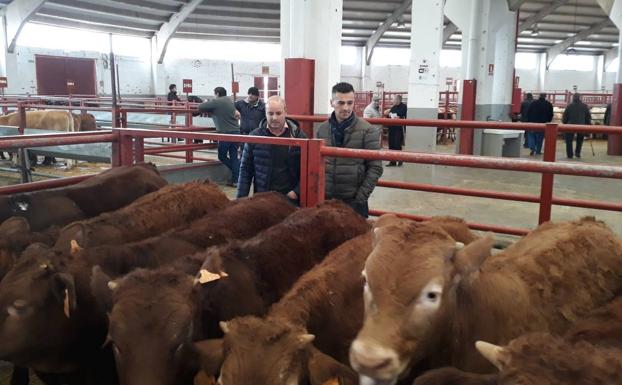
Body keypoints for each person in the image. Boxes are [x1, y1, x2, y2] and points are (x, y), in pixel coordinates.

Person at [315, 82, 383, 218]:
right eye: (340, 103)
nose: (346, 107)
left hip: (354, 201)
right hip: (326, 199)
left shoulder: (368, 130)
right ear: (331, 103)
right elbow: (316, 163)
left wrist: (359, 199)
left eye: (350, 103)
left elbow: (375, 167)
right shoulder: (322, 129)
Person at [237, 96, 306, 204]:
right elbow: (245, 169)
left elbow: (307, 169)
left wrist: (296, 192)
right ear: (265, 113)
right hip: (263, 199)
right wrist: (240, 201)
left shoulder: (299, 137)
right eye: (270, 113)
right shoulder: (255, 137)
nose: (274, 118)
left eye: (278, 113)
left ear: (285, 112)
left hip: (290, 199)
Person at [198, 87, 241, 185]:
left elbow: (200, 107)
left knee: (222, 156)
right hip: (236, 132)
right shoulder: (229, 101)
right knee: (234, 156)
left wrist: (208, 102)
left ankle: (238, 173)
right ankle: (236, 180)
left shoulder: (217, 101)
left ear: (217, 93)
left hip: (226, 133)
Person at [562, 93, 591, 159]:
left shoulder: (569, 106)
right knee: (580, 140)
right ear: (579, 98)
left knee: (569, 140)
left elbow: (565, 116)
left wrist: (565, 123)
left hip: (570, 125)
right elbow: (588, 117)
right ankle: (577, 153)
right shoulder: (584, 106)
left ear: (573, 98)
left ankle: (570, 154)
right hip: (581, 125)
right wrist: (588, 126)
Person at [383, 94, 407, 166]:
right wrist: (389, 114)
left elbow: (401, 114)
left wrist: (394, 115)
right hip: (392, 128)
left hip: (399, 128)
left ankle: (400, 160)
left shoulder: (404, 106)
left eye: (394, 99)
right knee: (391, 144)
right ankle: (392, 162)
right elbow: (390, 114)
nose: (393, 101)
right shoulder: (393, 107)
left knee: (397, 144)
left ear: (399, 100)